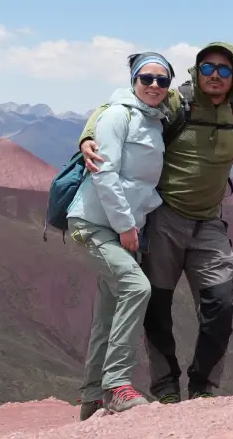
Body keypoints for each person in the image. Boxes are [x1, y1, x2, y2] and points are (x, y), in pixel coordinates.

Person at [77, 41, 233, 403]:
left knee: (220, 304)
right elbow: (124, 103)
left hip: (209, 223)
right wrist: (88, 133)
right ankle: (166, 389)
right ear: (195, 72)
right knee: (157, 307)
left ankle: (202, 389)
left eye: (223, 69)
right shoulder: (176, 102)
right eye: (207, 68)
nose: (214, 75)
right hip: (165, 218)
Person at [67, 51, 175, 420]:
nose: (155, 86)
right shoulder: (117, 114)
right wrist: (127, 226)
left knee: (108, 312)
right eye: (147, 78)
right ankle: (117, 386)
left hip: (122, 228)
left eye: (163, 80)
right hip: (94, 224)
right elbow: (104, 173)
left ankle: (90, 401)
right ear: (134, 81)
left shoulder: (155, 121)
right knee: (136, 287)